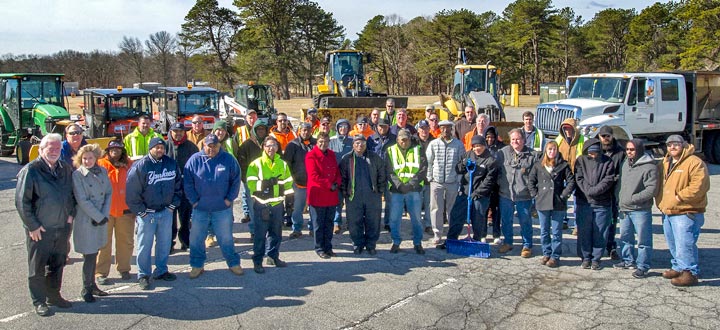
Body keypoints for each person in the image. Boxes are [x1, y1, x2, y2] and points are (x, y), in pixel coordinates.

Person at [16, 133, 76, 316]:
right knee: (37, 268)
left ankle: (54, 296)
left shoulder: (65, 168)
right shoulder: (31, 170)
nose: (54, 151)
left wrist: (71, 215)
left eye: (58, 148)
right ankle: (39, 301)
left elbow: (73, 195)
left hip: (61, 228)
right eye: (50, 148)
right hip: (40, 230)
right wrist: (32, 225)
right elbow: (22, 202)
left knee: (57, 264)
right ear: (41, 150)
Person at [125, 137, 182, 290]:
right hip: (147, 214)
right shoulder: (141, 166)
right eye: (156, 147)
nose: (160, 150)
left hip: (165, 211)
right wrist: (141, 212)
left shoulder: (170, 163)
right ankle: (143, 274)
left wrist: (172, 206)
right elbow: (131, 192)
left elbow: (178, 185)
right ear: (150, 148)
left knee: (164, 243)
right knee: (145, 245)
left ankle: (161, 270)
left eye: (162, 147)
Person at [184, 134, 244, 279]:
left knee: (226, 238)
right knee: (196, 239)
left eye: (214, 146)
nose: (211, 149)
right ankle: (197, 265)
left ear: (219, 146)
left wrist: (229, 200)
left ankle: (233, 263)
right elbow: (188, 182)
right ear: (204, 146)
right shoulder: (194, 160)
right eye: (208, 146)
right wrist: (194, 201)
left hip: (222, 209)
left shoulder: (229, 159)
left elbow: (236, 181)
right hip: (200, 209)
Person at [656, 135, 709, 286]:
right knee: (673, 242)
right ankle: (678, 267)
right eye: (669, 145)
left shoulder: (694, 162)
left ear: (684, 145)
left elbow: (699, 187)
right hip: (668, 210)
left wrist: (679, 198)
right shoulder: (665, 162)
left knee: (685, 243)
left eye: (676, 144)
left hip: (686, 211)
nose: (672, 147)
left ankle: (690, 273)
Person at [71, 144, 112, 303]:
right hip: (86, 219)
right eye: (84, 158)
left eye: (90, 158)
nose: (87, 161)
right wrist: (98, 216)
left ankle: (93, 284)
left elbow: (108, 192)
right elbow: (82, 200)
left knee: (95, 252)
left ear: (96, 158)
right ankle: (86, 288)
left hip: (101, 217)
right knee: (88, 254)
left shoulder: (102, 171)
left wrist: (104, 214)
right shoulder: (78, 175)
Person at [247, 136, 293, 274]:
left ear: (278, 147)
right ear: (263, 147)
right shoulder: (256, 164)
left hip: (278, 204)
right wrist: (267, 183)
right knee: (260, 235)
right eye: (268, 145)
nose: (271, 148)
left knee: (276, 233)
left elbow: (288, 183)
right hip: (262, 205)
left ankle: (273, 257)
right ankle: (257, 261)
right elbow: (251, 184)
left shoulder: (282, 164)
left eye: (273, 145)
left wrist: (290, 201)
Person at [614, 139, 657, 278]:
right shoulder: (626, 164)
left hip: (640, 209)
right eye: (627, 149)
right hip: (624, 209)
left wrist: (633, 199)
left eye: (632, 149)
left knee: (643, 240)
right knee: (625, 237)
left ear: (638, 150)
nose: (629, 152)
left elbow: (651, 189)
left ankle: (643, 266)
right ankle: (627, 260)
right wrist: (619, 198)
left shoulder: (649, 166)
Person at [528, 141, 575, 268]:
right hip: (542, 201)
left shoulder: (563, 165)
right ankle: (546, 253)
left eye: (554, 149)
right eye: (549, 149)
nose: (552, 152)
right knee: (544, 230)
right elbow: (531, 181)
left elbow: (571, 182)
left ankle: (555, 256)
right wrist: (535, 195)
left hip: (557, 202)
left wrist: (564, 195)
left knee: (556, 231)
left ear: (557, 150)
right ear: (545, 151)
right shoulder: (538, 165)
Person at [446, 135, 498, 245]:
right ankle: (451, 239)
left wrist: (477, 193)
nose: (476, 149)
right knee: (456, 215)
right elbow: (458, 169)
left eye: (479, 146)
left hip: (480, 195)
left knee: (478, 218)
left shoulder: (490, 160)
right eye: (474, 146)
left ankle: (477, 240)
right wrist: (464, 164)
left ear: (484, 146)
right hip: (465, 192)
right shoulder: (468, 155)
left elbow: (489, 181)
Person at [96, 140, 134, 284]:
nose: (115, 151)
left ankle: (124, 269)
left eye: (118, 149)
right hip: (105, 212)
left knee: (125, 242)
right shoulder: (100, 165)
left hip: (125, 211)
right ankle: (100, 272)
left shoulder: (130, 165)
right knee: (103, 244)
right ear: (108, 150)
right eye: (112, 149)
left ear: (122, 151)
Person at [340, 135, 386, 255]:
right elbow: (342, 177)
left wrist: (380, 190)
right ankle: (357, 244)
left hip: (372, 195)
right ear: (353, 145)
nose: (360, 146)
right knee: (354, 221)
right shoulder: (347, 159)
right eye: (357, 144)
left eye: (363, 144)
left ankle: (371, 245)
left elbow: (382, 173)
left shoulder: (374, 157)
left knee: (373, 221)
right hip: (353, 196)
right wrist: (345, 192)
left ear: (366, 145)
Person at [574, 138, 615, 270]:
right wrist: (588, 190)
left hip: (602, 203)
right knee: (584, 232)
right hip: (584, 202)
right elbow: (578, 178)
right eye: (590, 153)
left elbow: (608, 180)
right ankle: (585, 258)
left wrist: (594, 191)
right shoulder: (580, 160)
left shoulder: (608, 162)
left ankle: (596, 258)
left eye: (596, 153)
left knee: (600, 233)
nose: (593, 155)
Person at [386, 129, 427, 254]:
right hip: (397, 190)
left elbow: (423, 169)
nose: (404, 141)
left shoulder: (418, 149)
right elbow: (389, 170)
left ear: (410, 138)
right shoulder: (390, 150)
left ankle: (418, 243)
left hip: (413, 190)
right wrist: (399, 185)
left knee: (416, 219)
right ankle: (396, 242)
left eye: (406, 139)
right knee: (394, 219)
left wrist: (410, 184)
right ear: (398, 139)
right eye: (402, 139)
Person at [496, 129, 536, 257]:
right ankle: (508, 242)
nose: (515, 142)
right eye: (513, 139)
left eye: (518, 139)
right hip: (506, 194)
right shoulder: (503, 153)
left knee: (525, 221)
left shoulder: (532, 155)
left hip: (524, 195)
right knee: (506, 220)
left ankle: (527, 245)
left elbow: (536, 176)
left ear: (524, 140)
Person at [426, 120, 465, 246]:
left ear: (452, 129)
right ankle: (437, 233)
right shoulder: (433, 144)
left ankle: (452, 234)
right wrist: (430, 177)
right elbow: (429, 162)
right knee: (436, 208)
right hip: (436, 181)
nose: (445, 130)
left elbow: (461, 163)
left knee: (452, 209)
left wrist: (459, 179)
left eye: (448, 128)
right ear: (440, 129)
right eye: (442, 128)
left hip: (452, 181)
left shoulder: (458, 145)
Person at [306, 132, 342, 258]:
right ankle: (319, 248)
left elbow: (337, 171)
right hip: (318, 195)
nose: (323, 144)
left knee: (329, 223)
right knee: (318, 224)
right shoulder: (311, 156)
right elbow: (314, 176)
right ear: (317, 142)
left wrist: (337, 182)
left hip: (331, 195)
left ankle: (328, 246)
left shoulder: (331, 154)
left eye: (326, 141)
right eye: (321, 141)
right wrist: (329, 184)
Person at [166, 122, 199, 252]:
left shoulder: (191, 147)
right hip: (169, 190)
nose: (178, 134)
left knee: (185, 218)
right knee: (169, 219)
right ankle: (169, 243)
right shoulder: (164, 146)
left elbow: (197, 167)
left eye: (181, 131)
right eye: (176, 131)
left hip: (186, 188)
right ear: (171, 132)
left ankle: (186, 241)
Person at [284, 122, 317, 237]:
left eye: (308, 130)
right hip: (298, 184)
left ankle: (313, 228)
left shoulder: (316, 144)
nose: (305, 132)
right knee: (297, 208)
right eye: (303, 130)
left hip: (314, 184)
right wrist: (291, 179)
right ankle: (297, 228)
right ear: (299, 131)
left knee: (314, 208)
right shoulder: (292, 145)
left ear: (311, 131)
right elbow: (286, 164)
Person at [598, 126, 625, 260]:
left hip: (613, 193)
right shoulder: (595, 150)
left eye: (608, 136)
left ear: (612, 136)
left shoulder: (620, 152)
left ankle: (611, 247)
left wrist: (613, 180)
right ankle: (597, 247)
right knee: (597, 223)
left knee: (612, 222)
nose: (605, 138)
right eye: (603, 136)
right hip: (598, 192)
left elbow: (623, 172)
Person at [238, 120, 270, 232]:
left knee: (267, 206)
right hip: (251, 182)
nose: (261, 131)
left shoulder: (271, 143)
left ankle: (266, 230)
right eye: (258, 129)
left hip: (268, 181)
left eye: (263, 129)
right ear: (254, 130)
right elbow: (241, 164)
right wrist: (245, 179)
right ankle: (254, 231)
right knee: (252, 208)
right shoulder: (246, 145)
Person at [555, 118, 584, 231]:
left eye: (569, 128)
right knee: (563, 197)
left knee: (577, 200)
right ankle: (564, 221)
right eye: (565, 128)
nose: (567, 130)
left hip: (577, 174)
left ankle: (577, 226)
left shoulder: (582, 139)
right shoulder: (559, 140)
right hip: (562, 173)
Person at [368, 118, 397, 230]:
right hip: (375, 174)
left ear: (388, 127)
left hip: (390, 174)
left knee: (390, 200)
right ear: (376, 127)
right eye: (380, 126)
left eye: (384, 126)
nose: (382, 128)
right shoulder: (371, 139)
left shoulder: (394, 139)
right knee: (375, 201)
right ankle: (375, 222)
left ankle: (388, 222)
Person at [329, 118, 354, 233]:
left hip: (350, 177)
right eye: (340, 127)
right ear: (337, 128)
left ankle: (351, 222)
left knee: (351, 201)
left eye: (345, 126)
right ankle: (336, 223)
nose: (343, 129)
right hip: (336, 177)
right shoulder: (331, 141)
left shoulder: (353, 141)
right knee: (337, 201)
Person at [484, 126, 505, 244]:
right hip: (485, 185)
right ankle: (483, 234)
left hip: (497, 184)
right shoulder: (483, 148)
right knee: (484, 211)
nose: (490, 139)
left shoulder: (501, 148)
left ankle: (496, 234)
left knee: (496, 212)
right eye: (487, 137)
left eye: (492, 137)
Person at [415, 120, 435, 234]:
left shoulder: (434, 141)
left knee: (429, 203)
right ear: (418, 130)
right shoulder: (413, 141)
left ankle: (428, 225)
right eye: (422, 128)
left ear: (429, 129)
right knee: (416, 204)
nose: (424, 131)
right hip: (417, 178)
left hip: (429, 177)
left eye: (426, 128)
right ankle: (417, 225)